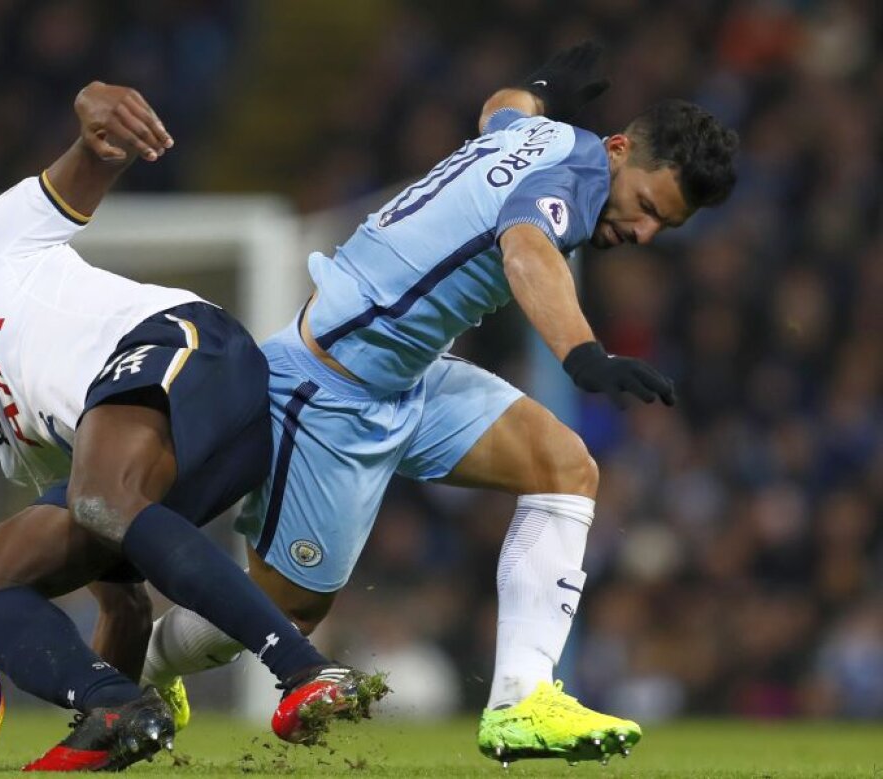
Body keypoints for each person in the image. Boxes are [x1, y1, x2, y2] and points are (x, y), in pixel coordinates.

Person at [140, 42, 738, 767]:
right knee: (288, 609)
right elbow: (526, 251)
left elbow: (500, 111)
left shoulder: (545, 135)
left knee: (564, 466)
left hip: (408, 376)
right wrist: (586, 355)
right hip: (331, 389)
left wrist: (540, 86)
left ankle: (521, 699)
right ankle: (153, 663)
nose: (641, 233)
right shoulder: (580, 177)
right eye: (646, 206)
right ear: (618, 149)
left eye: (662, 228)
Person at [0, 81, 383, 772]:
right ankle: (112, 709)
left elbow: (89, 160)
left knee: (99, 496)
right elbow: (123, 605)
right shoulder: (23, 447)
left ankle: (306, 670)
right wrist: (116, 703)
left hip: (189, 349)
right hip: (192, 454)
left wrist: (96, 115)